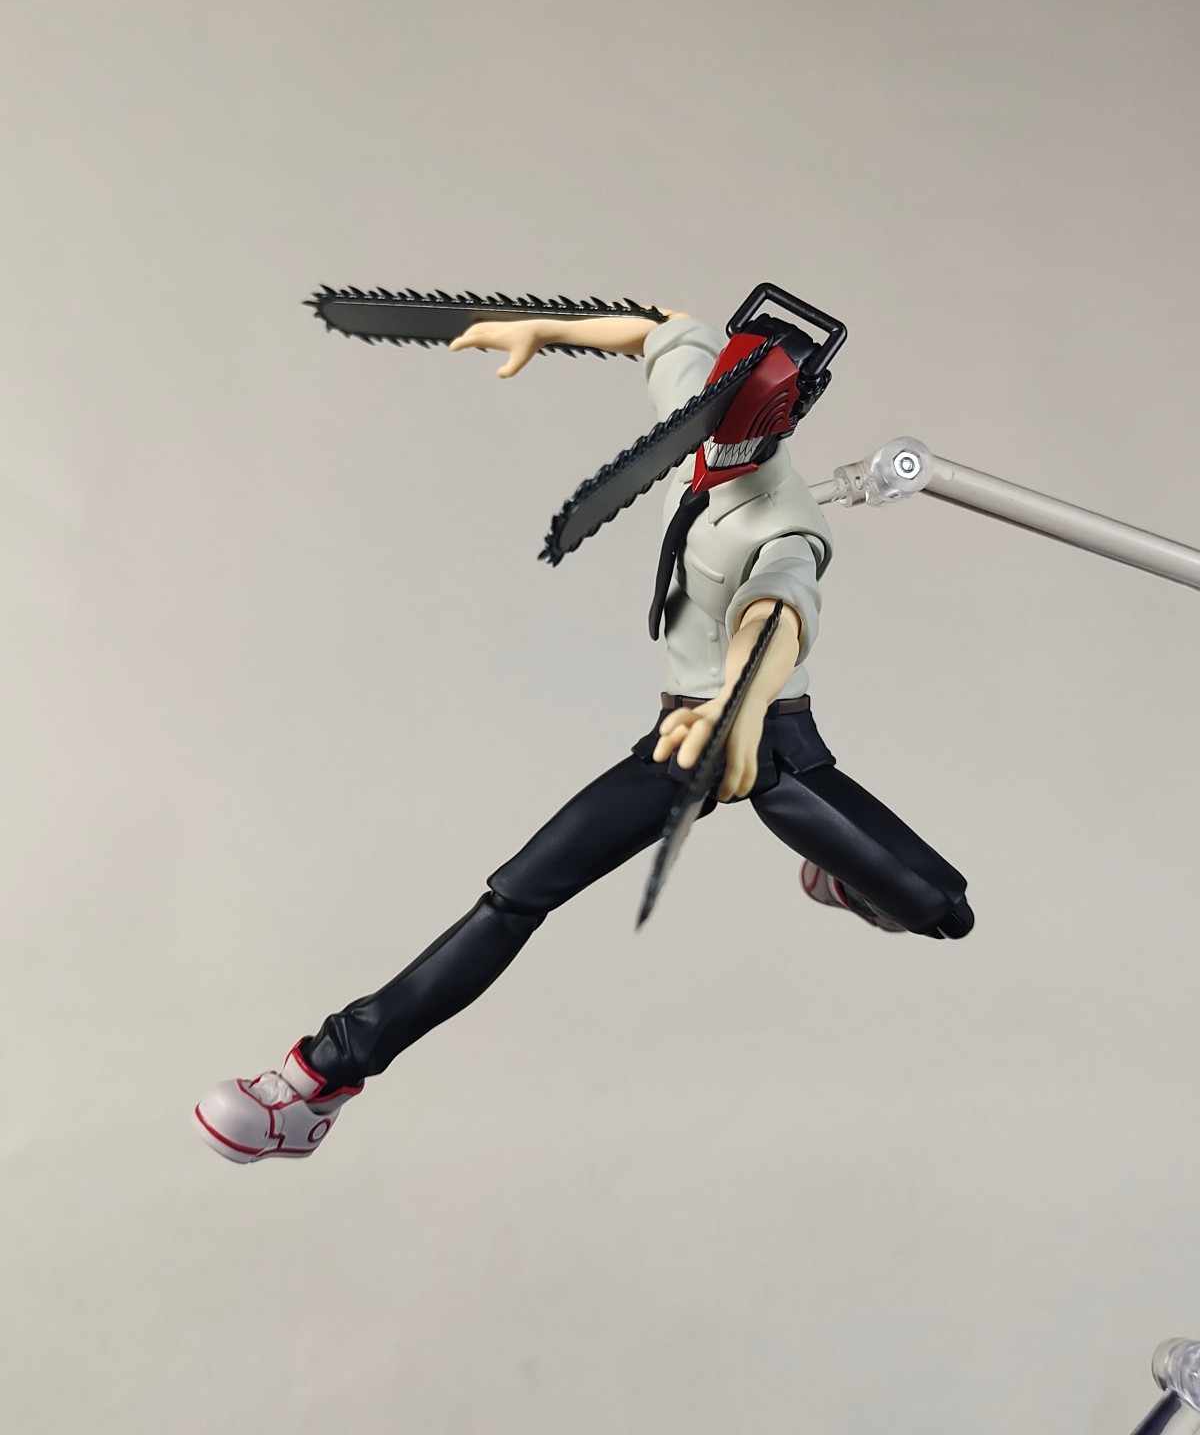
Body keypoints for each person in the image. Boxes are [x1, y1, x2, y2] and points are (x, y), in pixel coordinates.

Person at [194, 306, 973, 1164]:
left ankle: (847, 882)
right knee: (517, 894)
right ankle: (318, 1079)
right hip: (680, 738)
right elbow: (660, 327)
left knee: (943, 913)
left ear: (770, 421)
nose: (707, 436)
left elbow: (777, 618)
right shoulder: (707, 413)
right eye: (704, 414)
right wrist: (535, 328)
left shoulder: (785, 523)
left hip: (770, 747)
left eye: (727, 421)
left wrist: (738, 706)